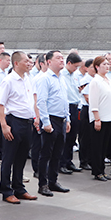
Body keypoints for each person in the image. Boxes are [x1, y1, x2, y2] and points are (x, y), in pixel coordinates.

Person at [0, 51, 39, 204]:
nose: (29, 63)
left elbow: (31, 100)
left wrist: (35, 117)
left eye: (30, 61)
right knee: (9, 158)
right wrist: (4, 125)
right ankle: (6, 190)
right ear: (16, 63)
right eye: (26, 61)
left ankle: (19, 188)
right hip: (14, 122)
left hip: (27, 123)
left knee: (21, 158)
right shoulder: (9, 80)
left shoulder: (28, 79)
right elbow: (0, 104)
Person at [34, 51, 70, 196]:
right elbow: (41, 101)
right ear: (48, 61)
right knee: (46, 154)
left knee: (57, 153)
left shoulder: (62, 78)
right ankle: (43, 184)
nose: (62, 60)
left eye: (62, 58)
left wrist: (67, 119)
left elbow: (64, 99)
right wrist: (46, 122)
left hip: (61, 119)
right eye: (58, 58)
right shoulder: (44, 78)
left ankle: (53, 181)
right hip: (51, 119)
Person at [88, 56, 111, 180]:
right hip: (100, 118)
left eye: (108, 64)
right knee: (98, 146)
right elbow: (94, 103)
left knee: (105, 146)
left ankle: (102, 170)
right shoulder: (95, 81)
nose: (107, 66)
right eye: (104, 64)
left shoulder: (109, 80)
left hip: (109, 117)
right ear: (97, 67)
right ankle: (97, 171)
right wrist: (97, 119)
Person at [59, 52, 83, 173]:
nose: (76, 69)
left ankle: (69, 161)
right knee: (65, 136)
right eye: (75, 66)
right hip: (66, 106)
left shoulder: (76, 75)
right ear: (69, 63)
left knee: (72, 136)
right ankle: (61, 163)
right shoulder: (61, 75)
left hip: (75, 106)